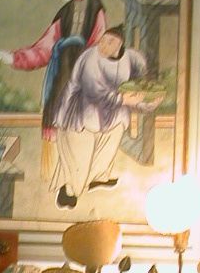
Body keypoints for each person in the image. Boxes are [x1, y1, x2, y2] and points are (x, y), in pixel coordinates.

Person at [0, 0, 105, 182]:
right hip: (62, 80)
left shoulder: (95, 7)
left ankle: (73, 184)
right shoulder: (65, 13)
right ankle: (62, 184)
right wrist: (15, 58)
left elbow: (100, 47)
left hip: (85, 83)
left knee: (78, 139)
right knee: (62, 138)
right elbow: (45, 48)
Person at [52, 25, 150, 207]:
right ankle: (70, 191)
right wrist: (123, 99)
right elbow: (94, 91)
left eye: (110, 42)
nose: (103, 45)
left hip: (113, 113)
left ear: (120, 44)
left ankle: (99, 177)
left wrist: (146, 100)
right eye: (102, 40)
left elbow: (141, 83)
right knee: (80, 160)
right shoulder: (90, 58)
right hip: (82, 111)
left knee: (110, 143)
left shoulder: (131, 58)